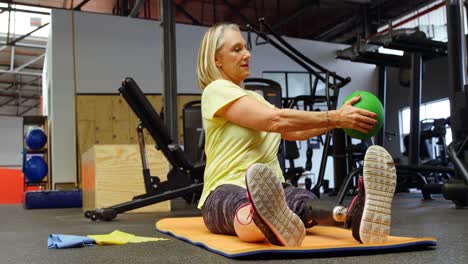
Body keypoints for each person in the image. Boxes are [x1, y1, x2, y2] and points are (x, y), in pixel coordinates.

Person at [196, 23, 397, 247]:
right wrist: (336, 116)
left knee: (304, 202)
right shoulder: (216, 90)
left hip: (275, 191)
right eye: (236, 49)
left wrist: (340, 121)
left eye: (245, 48)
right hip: (225, 188)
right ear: (217, 60)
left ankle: (352, 215)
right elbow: (274, 120)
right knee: (241, 205)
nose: (246, 54)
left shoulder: (255, 97)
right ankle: (261, 219)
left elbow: (295, 131)